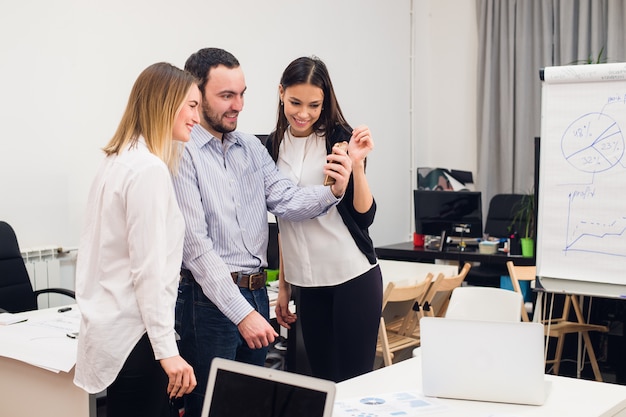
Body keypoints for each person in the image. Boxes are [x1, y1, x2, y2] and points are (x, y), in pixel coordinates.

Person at [172, 47, 356, 417]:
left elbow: (285, 199)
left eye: (241, 94)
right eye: (226, 96)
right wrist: (242, 314)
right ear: (195, 94)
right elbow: (198, 251)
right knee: (209, 408)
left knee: (252, 406)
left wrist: (334, 190)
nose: (238, 105)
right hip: (207, 303)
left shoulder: (251, 148)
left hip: (256, 296)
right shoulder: (182, 153)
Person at [74, 62, 200, 417]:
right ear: (166, 102)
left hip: (116, 333)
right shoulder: (148, 170)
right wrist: (167, 351)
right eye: (191, 105)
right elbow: (149, 272)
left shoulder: (117, 160)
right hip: (137, 338)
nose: (196, 116)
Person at [266, 56, 383, 383]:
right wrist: (285, 288)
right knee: (323, 384)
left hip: (352, 277)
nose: (303, 113)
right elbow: (284, 221)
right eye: (295, 102)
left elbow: (365, 215)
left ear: (325, 102)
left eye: (314, 105)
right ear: (281, 93)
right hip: (307, 285)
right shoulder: (272, 146)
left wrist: (357, 166)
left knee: (354, 385)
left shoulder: (339, 138)